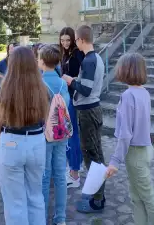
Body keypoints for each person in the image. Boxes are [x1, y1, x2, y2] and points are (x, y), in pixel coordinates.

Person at [106, 53, 154, 225]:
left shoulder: (128, 95)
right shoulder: (144, 93)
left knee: (148, 197)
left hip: (135, 153)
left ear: (126, 70)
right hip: (145, 149)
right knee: (137, 196)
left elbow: (125, 134)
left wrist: (115, 161)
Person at [0, 46, 48, 225]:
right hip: (37, 141)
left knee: (14, 202)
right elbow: (46, 120)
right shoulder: (42, 89)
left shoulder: (4, 90)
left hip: (11, 142)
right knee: (36, 197)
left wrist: (2, 144)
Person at [62, 25, 106, 214]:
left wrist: (70, 80)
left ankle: (97, 200)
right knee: (94, 153)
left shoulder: (88, 60)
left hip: (88, 111)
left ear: (80, 40)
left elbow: (86, 89)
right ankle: (97, 193)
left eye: (76, 41)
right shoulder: (94, 58)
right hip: (90, 110)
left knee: (92, 155)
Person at [38, 44, 70, 225]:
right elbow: (67, 107)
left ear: (42, 61)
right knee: (59, 176)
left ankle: (41, 217)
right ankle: (61, 217)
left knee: (44, 177)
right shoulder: (62, 83)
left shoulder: (39, 83)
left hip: (44, 135)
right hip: (61, 133)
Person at [59, 27, 84, 188]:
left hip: (73, 98)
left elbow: (82, 77)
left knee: (71, 134)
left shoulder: (77, 54)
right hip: (65, 96)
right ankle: (75, 167)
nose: (66, 43)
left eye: (68, 40)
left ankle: (75, 173)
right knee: (70, 133)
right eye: (63, 40)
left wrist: (69, 78)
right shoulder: (64, 54)